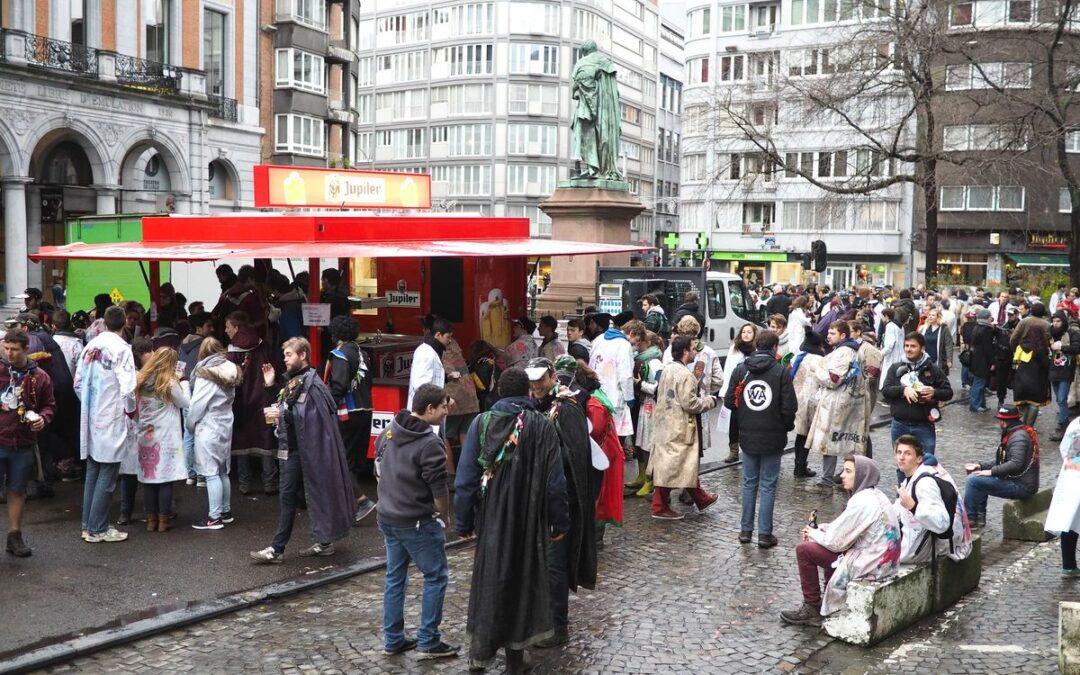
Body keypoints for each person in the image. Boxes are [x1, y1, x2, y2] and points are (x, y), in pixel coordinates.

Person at [454, 368, 569, 673]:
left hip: (491, 518)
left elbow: (465, 479)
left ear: (500, 392)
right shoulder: (542, 426)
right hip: (529, 520)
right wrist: (560, 522)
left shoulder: (481, 423)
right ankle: (515, 662)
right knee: (522, 582)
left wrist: (464, 521)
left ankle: (479, 656)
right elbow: (555, 482)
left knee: (489, 580)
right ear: (528, 391)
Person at [251, 338, 356, 563]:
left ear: (303, 355)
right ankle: (285, 548)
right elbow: (289, 407)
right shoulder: (297, 381)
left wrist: (282, 414)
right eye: (285, 354)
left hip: (306, 451)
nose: (285, 359)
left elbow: (307, 417)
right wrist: (271, 386)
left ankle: (287, 548)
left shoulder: (313, 383)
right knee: (293, 497)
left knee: (305, 495)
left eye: (289, 355)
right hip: (294, 449)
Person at [374, 384, 459, 659]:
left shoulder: (391, 428)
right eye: (443, 407)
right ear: (430, 409)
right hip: (416, 521)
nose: (446, 411)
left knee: (395, 578)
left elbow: (378, 461)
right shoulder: (429, 443)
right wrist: (444, 516)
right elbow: (439, 488)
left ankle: (393, 638)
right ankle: (429, 639)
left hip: (388, 515)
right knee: (436, 576)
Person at [526, 356, 597, 647]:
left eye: (540, 380)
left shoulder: (567, 409)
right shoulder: (531, 407)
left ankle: (557, 626)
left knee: (555, 564)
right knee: (538, 563)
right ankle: (540, 620)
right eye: (532, 381)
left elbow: (576, 457)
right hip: (536, 499)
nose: (536, 386)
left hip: (561, 499)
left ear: (552, 376)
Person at [780, 455, 901, 626]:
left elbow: (835, 542)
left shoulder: (862, 501)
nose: (842, 475)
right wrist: (821, 529)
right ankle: (827, 601)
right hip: (883, 561)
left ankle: (812, 607)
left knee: (805, 550)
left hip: (872, 565)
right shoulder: (875, 495)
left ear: (862, 476)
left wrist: (813, 533)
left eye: (848, 471)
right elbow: (844, 528)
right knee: (824, 546)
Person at [725, 329, 796, 549]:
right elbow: (790, 407)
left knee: (749, 484)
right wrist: (785, 426)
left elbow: (729, 401)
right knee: (768, 485)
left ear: (757, 345)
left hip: (747, 434)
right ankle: (764, 534)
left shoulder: (741, 369)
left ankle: (746, 531)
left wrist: (745, 416)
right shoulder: (780, 372)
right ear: (775, 347)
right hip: (773, 435)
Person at [74, 306, 137, 543]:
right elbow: (128, 388)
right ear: (124, 324)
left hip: (91, 415)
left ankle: (87, 524)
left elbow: (78, 383)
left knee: (93, 470)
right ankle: (98, 528)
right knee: (108, 473)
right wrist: (130, 411)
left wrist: (91, 403)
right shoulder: (122, 349)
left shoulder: (91, 346)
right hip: (111, 415)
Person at [648, 335, 719, 520]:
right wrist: (710, 401)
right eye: (693, 349)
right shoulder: (686, 375)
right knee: (675, 464)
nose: (696, 352)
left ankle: (701, 498)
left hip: (665, 423)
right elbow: (691, 404)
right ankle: (659, 506)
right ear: (685, 351)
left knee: (678, 463)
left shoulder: (667, 370)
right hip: (680, 426)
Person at [0, 330, 55, 556]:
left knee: (17, 490)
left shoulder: (40, 376)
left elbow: (49, 405)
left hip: (22, 442)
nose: (9, 353)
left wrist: (43, 418)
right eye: (6, 348)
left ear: (25, 349)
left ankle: (14, 536)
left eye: (14, 349)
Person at [326, 316, 378, 523]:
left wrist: (325, 403)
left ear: (335, 333)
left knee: (341, 460)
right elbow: (370, 381)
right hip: (366, 410)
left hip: (348, 412)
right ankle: (350, 508)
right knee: (354, 461)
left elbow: (338, 386)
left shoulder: (339, 355)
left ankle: (361, 500)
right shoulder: (361, 352)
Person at [133, 347, 189, 533]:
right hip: (166, 436)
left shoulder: (139, 379)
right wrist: (183, 382)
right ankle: (164, 521)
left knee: (149, 479)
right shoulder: (169, 381)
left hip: (145, 432)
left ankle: (151, 521)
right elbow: (184, 403)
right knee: (165, 478)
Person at [187, 338, 241, 530]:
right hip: (226, 420)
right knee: (222, 470)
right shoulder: (230, 368)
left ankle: (214, 517)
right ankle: (225, 512)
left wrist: (190, 424)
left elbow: (197, 405)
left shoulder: (205, 374)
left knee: (210, 473)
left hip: (209, 424)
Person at [893, 436, 972, 564]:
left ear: (919, 459)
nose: (901, 457)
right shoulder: (911, 478)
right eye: (899, 452)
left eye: (908, 453)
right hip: (922, 541)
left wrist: (913, 506)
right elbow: (896, 510)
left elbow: (942, 523)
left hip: (932, 547)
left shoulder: (925, 484)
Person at [806, 321, 868, 487]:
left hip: (838, 403)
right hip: (849, 402)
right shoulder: (852, 350)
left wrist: (816, 369)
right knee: (845, 442)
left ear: (843, 336)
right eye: (829, 332)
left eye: (832, 333)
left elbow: (833, 379)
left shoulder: (844, 352)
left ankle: (830, 479)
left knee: (833, 442)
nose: (828, 336)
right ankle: (848, 476)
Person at [225, 311, 279, 495]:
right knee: (266, 438)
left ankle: (244, 484)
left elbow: (228, 378)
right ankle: (270, 483)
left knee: (242, 441)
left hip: (241, 401)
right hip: (264, 397)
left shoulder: (232, 352)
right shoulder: (263, 345)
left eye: (228, 327)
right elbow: (275, 366)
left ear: (236, 328)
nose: (225, 330)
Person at [962, 404, 1039, 528]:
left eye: (1000, 420)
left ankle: (971, 518)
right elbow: (1002, 460)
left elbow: (1015, 464)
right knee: (979, 476)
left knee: (973, 480)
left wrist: (991, 472)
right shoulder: (1014, 433)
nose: (999, 422)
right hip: (1017, 480)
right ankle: (979, 518)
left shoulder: (1018, 437)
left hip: (1022, 486)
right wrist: (981, 466)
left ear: (1005, 421)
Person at [881, 332, 953, 460]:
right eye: (906, 346)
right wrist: (903, 390)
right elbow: (886, 390)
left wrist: (934, 393)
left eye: (913, 346)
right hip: (900, 424)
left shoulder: (933, 369)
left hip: (924, 425)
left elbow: (948, 392)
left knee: (926, 462)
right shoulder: (895, 368)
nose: (908, 349)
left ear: (922, 348)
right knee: (902, 464)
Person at [588, 312, 636, 443]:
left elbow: (590, 366)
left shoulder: (597, 340)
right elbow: (626, 375)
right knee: (613, 440)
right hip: (615, 399)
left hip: (596, 396)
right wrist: (629, 398)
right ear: (631, 333)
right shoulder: (624, 345)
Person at [628, 332, 664, 497]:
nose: (636, 345)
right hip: (643, 405)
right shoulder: (641, 359)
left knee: (649, 443)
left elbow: (658, 387)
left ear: (647, 343)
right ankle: (642, 476)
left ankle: (651, 479)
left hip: (652, 406)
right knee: (641, 441)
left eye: (640, 343)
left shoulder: (655, 362)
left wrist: (640, 384)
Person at [717, 323, 759, 464]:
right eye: (743, 332)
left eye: (749, 332)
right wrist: (724, 391)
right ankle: (733, 451)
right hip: (735, 389)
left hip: (750, 390)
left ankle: (749, 449)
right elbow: (728, 369)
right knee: (733, 422)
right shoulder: (734, 349)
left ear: (754, 334)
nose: (746, 334)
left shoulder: (757, 349)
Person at [1046, 415, 1080, 576]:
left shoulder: (1075, 424)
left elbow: (1066, 450)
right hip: (1073, 474)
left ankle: (1069, 565)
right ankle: (1069, 565)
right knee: (1071, 519)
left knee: (1070, 518)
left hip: (1072, 473)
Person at [792, 329, 826, 478]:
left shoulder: (797, 358)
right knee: (805, 436)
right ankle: (800, 466)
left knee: (800, 435)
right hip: (812, 401)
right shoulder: (820, 361)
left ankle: (799, 465)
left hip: (796, 399)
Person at [1012, 320, 1051, 427]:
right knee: (1034, 404)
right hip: (1037, 382)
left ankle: (1022, 425)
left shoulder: (1021, 346)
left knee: (1023, 404)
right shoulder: (1042, 349)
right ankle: (1028, 427)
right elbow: (1046, 365)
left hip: (1021, 380)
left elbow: (1014, 363)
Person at [1050, 311, 1080, 441]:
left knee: (1062, 399)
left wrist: (1062, 347)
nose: (1056, 324)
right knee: (1059, 399)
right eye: (1054, 321)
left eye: (1058, 321)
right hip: (1053, 368)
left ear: (1063, 321)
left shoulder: (1072, 332)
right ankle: (1064, 423)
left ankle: (1063, 426)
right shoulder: (1050, 332)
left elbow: (1077, 348)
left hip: (1066, 369)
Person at [968, 309, 996, 413]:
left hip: (976, 359)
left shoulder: (977, 327)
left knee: (979, 383)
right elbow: (988, 348)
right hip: (983, 361)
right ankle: (975, 405)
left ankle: (981, 404)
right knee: (979, 384)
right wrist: (993, 361)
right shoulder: (986, 330)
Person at [919, 307, 954, 375]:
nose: (930, 317)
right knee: (927, 378)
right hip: (926, 359)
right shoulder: (924, 328)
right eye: (929, 315)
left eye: (933, 315)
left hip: (939, 359)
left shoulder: (944, 329)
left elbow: (948, 344)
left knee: (938, 379)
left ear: (938, 317)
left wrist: (949, 360)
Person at [878, 308, 905, 390]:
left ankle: (887, 390)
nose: (882, 319)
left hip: (891, 356)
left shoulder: (890, 326)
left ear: (886, 316)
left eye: (882, 316)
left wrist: (880, 353)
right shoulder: (900, 326)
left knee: (888, 375)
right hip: (900, 354)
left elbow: (890, 345)